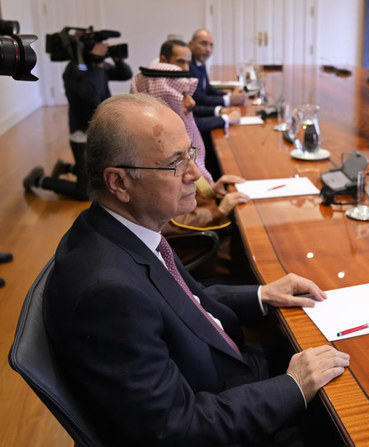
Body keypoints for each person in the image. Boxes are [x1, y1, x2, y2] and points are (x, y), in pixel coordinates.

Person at [43, 93, 350, 446]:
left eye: (190, 153)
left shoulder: (124, 229)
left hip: (227, 376)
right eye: (176, 163)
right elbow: (177, 428)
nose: (193, 173)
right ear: (119, 183)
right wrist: (293, 387)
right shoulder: (106, 293)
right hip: (225, 414)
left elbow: (188, 300)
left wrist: (262, 294)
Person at [131, 39, 251, 278]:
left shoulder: (167, 136)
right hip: (198, 249)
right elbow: (168, 222)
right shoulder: (149, 153)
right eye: (182, 95)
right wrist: (219, 210)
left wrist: (211, 190)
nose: (191, 102)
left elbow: (185, 183)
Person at [23, 38, 132, 200]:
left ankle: (67, 167)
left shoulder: (97, 67)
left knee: (101, 174)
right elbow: (91, 96)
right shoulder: (75, 70)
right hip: (82, 134)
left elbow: (125, 74)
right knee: (85, 192)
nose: (104, 49)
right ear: (87, 50)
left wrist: (117, 59)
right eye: (99, 46)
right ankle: (39, 180)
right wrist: (97, 64)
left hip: (99, 128)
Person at [189, 28, 246, 179]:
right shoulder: (188, 67)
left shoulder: (199, 63)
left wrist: (229, 96)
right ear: (191, 44)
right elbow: (198, 99)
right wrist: (227, 103)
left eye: (211, 45)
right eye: (203, 44)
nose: (208, 49)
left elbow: (207, 89)